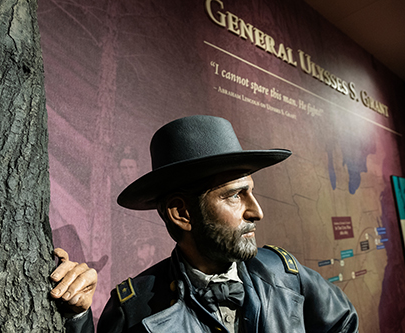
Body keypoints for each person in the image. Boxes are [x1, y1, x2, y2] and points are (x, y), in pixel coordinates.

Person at [50, 115, 359, 332]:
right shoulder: (132, 308)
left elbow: (344, 324)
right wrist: (76, 318)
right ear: (181, 213)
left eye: (251, 192)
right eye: (236, 196)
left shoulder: (285, 274)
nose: (257, 212)